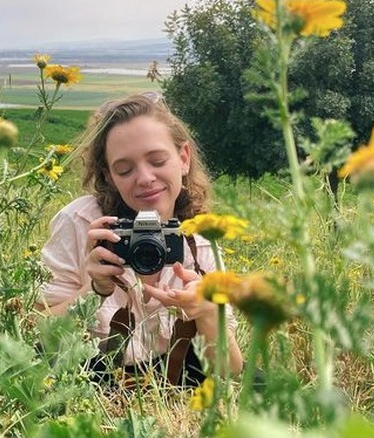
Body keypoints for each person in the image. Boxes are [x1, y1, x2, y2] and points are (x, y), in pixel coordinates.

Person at [37, 92, 243, 388]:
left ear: (183, 159)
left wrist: (207, 311)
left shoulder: (200, 240)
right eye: (125, 169)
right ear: (109, 177)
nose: (145, 178)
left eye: (157, 160)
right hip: (91, 379)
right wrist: (94, 290)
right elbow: (35, 337)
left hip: (179, 376)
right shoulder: (83, 224)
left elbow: (230, 371)